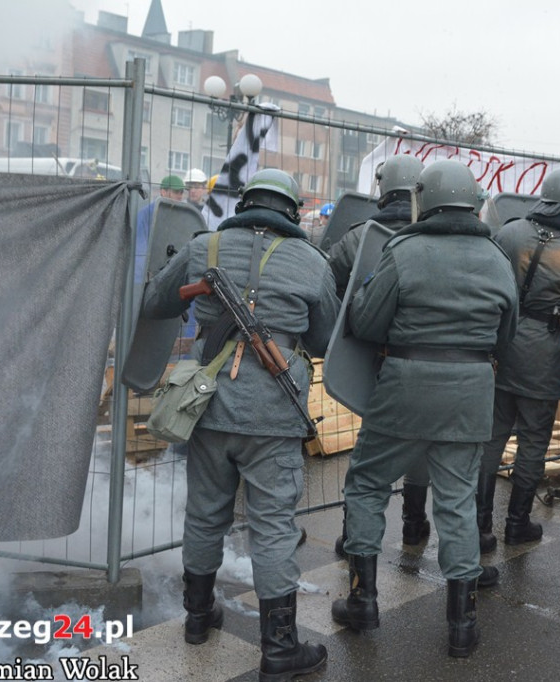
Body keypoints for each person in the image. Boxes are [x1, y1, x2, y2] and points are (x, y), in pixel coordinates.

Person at [140, 168, 338, 680]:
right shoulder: (312, 262)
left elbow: (156, 302)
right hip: (274, 415)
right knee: (273, 529)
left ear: (244, 203)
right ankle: (279, 650)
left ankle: (198, 618)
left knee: (205, 515)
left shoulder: (204, 245)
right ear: (292, 211)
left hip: (207, 407)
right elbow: (322, 340)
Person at [332, 159, 517, 659]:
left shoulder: (405, 250)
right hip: (471, 391)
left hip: (404, 389)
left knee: (368, 484)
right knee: (456, 500)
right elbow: (507, 336)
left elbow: (368, 323)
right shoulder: (498, 259)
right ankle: (462, 625)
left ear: (423, 201)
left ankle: (362, 600)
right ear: (473, 202)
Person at [478, 168, 560, 550]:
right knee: (532, 442)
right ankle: (516, 524)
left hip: (502, 344)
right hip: (543, 356)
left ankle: (479, 527)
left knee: (491, 437)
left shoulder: (509, 233)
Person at [328, 155, 436, 549]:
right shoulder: (436, 237)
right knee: (420, 442)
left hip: (365, 360)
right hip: (425, 362)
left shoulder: (359, 237)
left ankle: (351, 537)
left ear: (384, 189)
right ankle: (413, 521)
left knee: (369, 457)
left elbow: (329, 286)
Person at [135, 174, 186, 284]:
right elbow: (139, 252)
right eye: (176, 192)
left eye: (181, 192)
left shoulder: (182, 217)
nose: (180, 196)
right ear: (163, 191)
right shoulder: (146, 215)